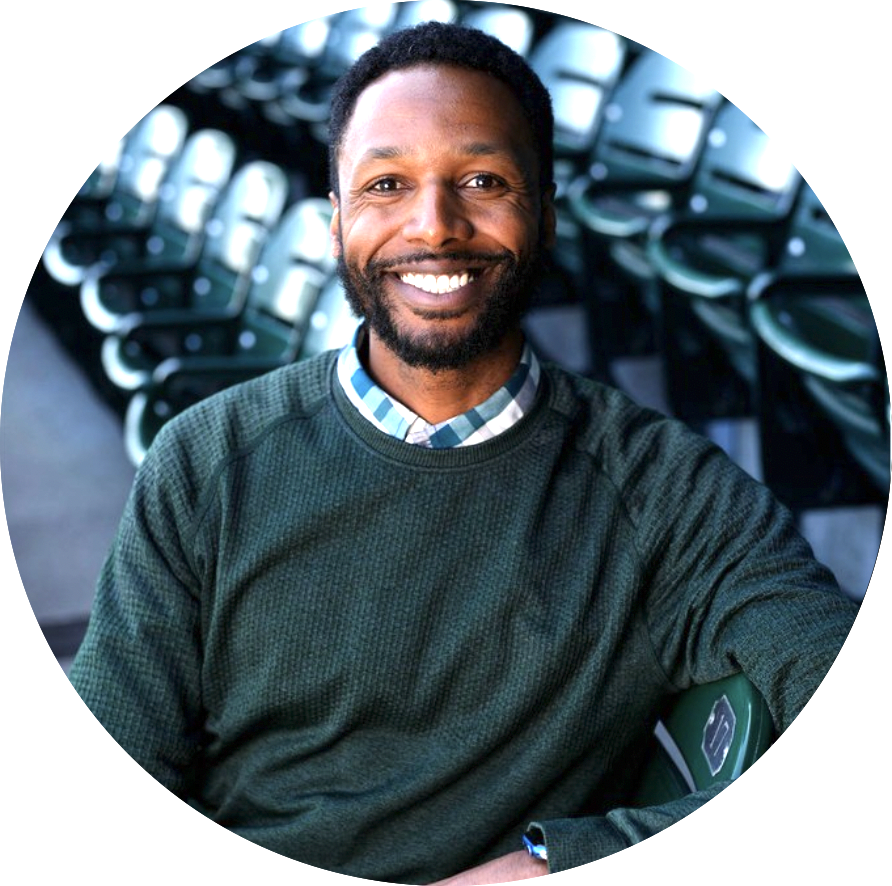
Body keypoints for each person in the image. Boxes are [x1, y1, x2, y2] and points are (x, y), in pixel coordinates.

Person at [69, 20, 858, 883]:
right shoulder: (205, 460)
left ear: (547, 214)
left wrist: (559, 861)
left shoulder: (666, 494)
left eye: (483, 180)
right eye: (386, 184)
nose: (435, 226)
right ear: (336, 225)